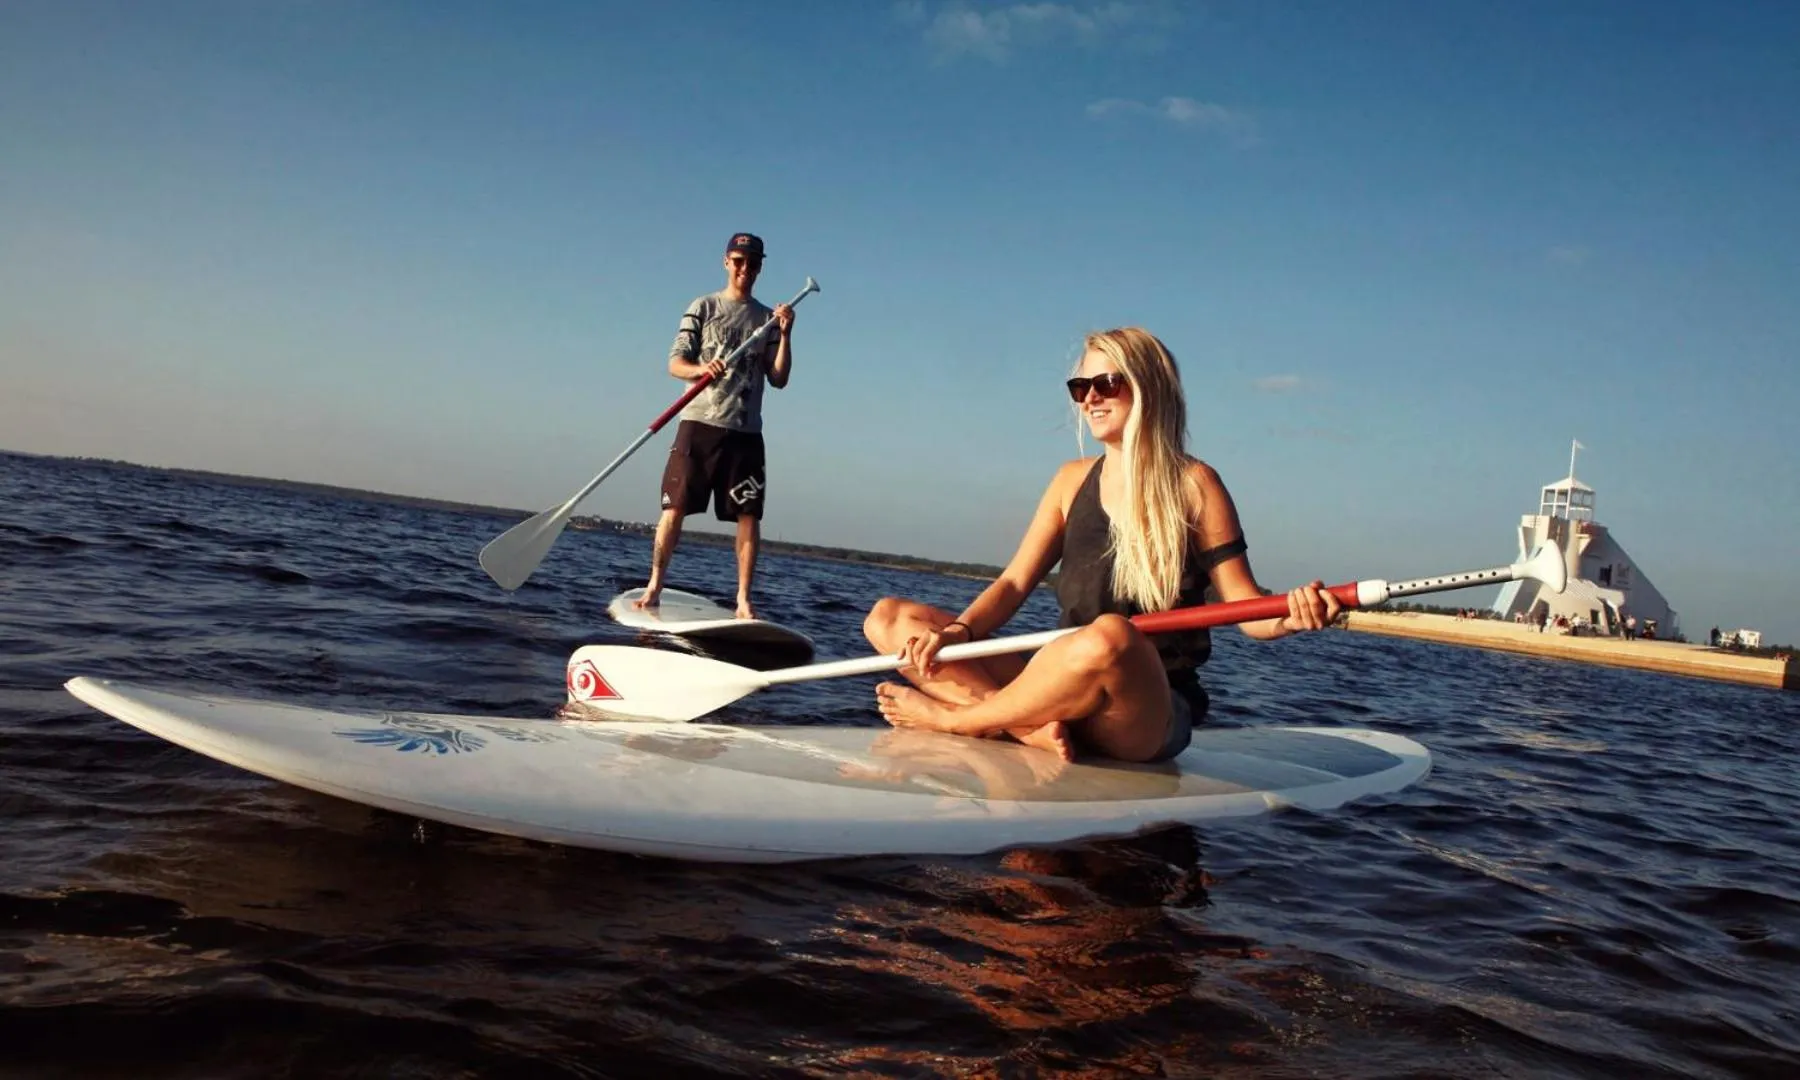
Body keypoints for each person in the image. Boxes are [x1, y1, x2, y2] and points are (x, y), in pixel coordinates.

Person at [861, 327, 1339, 764]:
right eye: (1079, 388)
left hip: (1141, 707)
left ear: (1148, 387)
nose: (1089, 398)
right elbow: (1013, 583)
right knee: (889, 618)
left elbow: (1243, 606)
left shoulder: (1196, 485)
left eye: (1106, 384)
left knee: (1111, 637)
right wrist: (957, 634)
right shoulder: (1070, 481)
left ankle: (960, 719)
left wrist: (1289, 616)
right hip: (1060, 678)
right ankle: (1023, 724)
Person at [635, 233, 796, 619]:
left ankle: (742, 599)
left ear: (760, 266)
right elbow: (675, 363)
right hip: (699, 423)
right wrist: (699, 369)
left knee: (748, 516)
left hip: (744, 433)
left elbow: (779, 377)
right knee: (673, 509)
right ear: (727, 261)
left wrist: (787, 333)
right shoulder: (703, 307)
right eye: (739, 260)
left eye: (753, 262)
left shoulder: (767, 320)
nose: (745, 269)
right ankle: (655, 585)